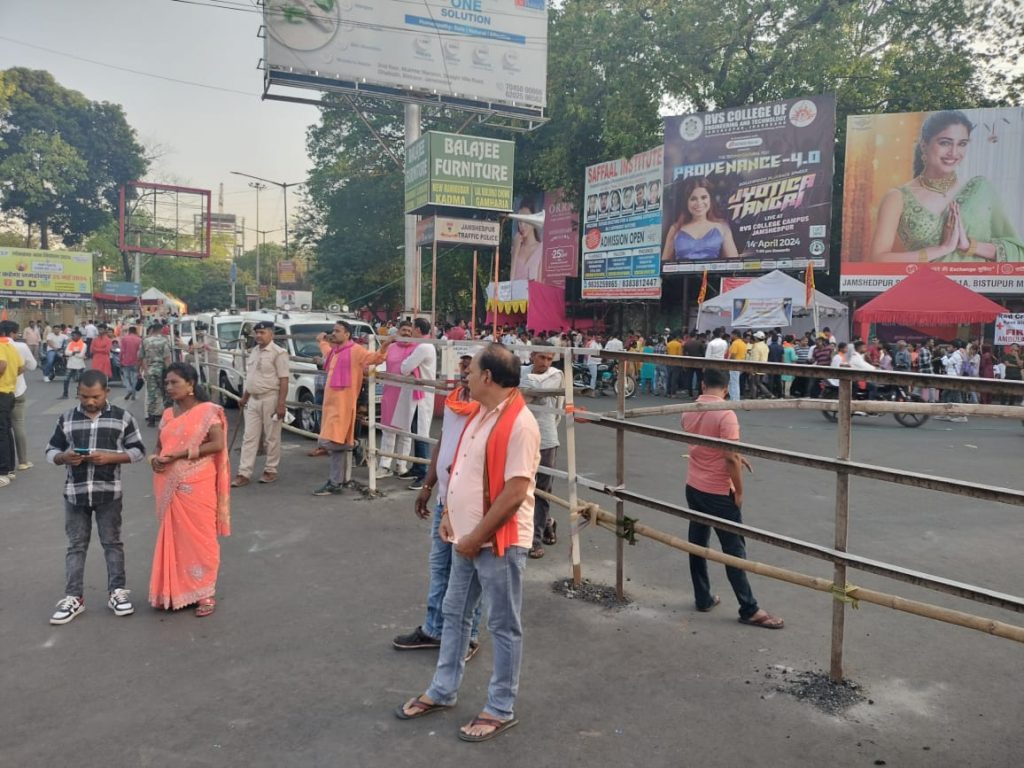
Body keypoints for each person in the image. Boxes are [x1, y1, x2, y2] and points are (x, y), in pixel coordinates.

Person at [395, 344, 540, 742]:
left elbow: (514, 493)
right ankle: (443, 689)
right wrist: (448, 516)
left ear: (488, 377)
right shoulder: (481, 413)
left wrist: (476, 537)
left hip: (498, 542)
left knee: (503, 625)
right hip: (466, 537)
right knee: (454, 613)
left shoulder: (520, 425)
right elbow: (461, 469)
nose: (466, 376)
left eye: (471, 370)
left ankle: (499, 707)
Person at [393, 354, 483, 660]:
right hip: (446, 499)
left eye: (470, 370)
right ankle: (434, 629)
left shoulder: (489, 410)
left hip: (470, 505)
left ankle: (469, 636)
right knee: (439, 567)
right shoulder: (456, 400)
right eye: (462, 368)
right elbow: (443, 445)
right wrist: (428, 486)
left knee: (468, 573)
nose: (463, 374)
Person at [681, 368, 783, 629]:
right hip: (718, 491)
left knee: (697, 543)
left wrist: (738, 456)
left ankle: (702, 597)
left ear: (703, 384)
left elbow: (708, 446)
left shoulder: (689, 409)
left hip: (694, 486)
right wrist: (739, 491)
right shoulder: (726, 413)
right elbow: (727, 455)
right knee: (734, 550)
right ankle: (749, 608)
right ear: (726, 388)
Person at [45, 369, 146, 624]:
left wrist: (112, 457)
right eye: (84, 396)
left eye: (96, 397)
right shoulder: (67, 417)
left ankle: (117, 592)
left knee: (112, 543)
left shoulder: (122, 417)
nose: (90, 402)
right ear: (78, 393)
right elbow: (51, 449)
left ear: (107, 393)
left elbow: (138, 450)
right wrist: (63, 457)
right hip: (75, 493)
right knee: (76, 546)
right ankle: (74, 597)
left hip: (109, 492)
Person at [871, 109, 1024, 264]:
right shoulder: (897, 197)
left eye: (962, 144)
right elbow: (878, 259)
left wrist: (969, 246)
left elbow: (1017, 251)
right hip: (922, 285)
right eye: (945, 143)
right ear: (924, 145)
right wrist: (942, 249)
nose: (954, 152)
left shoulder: (981, 189)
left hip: (978, 286)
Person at [148, 363, 230, 616]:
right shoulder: (168, 416)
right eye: (167, 383)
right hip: (170, 484)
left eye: (174, 382)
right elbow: (158, 447)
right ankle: (175, 591)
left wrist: (181, 454)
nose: (169, 387)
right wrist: (155, 459)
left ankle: (204, 592)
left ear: (191, 384)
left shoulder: (208, 411)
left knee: (200, 538)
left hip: (198, 482)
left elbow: (217, 444)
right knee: (175, 538)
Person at [312, 321, 390, 496]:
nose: (334, 333)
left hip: (344, 405)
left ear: (347, 334)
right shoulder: (335, 351)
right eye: (333, 331)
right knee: (335, 442)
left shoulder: (356, 350)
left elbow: (375, 359)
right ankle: (336, 481)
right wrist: (322, 341)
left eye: (337, 331)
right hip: (330, 404)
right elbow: (326, 352)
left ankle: (353, 445)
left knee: (326, 442)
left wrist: (385, 346)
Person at [232, 321, 290, 487]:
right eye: (257, 332)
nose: (258, 335)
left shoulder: (279, 353)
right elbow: (251, 378)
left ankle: (270, 470)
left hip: (270, 398)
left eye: (262, 332)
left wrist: (281, 404)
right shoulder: (254, 352)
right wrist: (244, 397)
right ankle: (244, 473)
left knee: (271, 438)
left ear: (271, 334)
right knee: (249, 437)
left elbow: (284, 380)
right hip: (253, 400)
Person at [520, 342, 563, 559]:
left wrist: (529, 391)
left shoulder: (556, 374)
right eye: (541, 358)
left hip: (546, 439)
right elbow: (523, 392)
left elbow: (528, 392)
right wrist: (531, 390)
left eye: (549, 358)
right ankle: (547, 523)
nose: (545, 363)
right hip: (522, 438)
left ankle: (534, 540)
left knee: (542, 492)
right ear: (532, 356)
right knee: (522, 489)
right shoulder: (521, 371)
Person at [662, 177, 740, 262]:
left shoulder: (722, 227)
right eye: (693, 199)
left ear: (710, 199)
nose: (699, 203)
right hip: (681, 275)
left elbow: (734, 263)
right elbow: (663, 265)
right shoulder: (675, 229)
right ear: (686, 202)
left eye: (703, 197)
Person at [399, 318, 436, 490]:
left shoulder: (423, 347)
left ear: (419, 330)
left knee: (421, 432)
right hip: (418, 394)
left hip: (422, 395)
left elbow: (405, 368)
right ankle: (417, 466)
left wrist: (405, 365)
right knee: (415, 429)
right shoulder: (424, 345)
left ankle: (423, 471)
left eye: (412, 328)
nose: (410, 331)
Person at [376, 320, 416, 479]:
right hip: (391, 393)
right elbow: (378, 361)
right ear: (398, 331)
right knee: (388, 430)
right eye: (404, 330)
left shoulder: (417, 349)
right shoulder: (391, 347)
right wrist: (385, 345)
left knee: (405, 432)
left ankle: (402, 465)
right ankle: (385, 465)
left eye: (409, 331)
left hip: (408, 393)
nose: (406, 333)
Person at [4, 321, 38, 473]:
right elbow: (32, 366)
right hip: (17, 391)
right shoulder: (20, 346)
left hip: (2, 392)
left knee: (4, 429)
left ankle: (7, 464)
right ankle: (23, 461)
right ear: (13, 333)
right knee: (18, 425)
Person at [0, 323, 24, 486]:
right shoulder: (10, 346)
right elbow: (21, 368)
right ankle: (8, 469)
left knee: (1, 433)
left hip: (1, 392)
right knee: (5, 431)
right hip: (9, 392)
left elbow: (2, 365)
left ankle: (2, 472)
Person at [140, 324, 172, 427]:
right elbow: (167, 358)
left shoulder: (145, 341)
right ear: (161, 330)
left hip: (150, 370)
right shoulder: (164, 341)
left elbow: (142, 358)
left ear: (152, 330)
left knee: (152, 394)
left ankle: (151, 419)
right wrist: (170, 372)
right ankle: (168, 418)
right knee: (166, 394)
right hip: (162, 370)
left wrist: (145, 370)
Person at [510, 204, 543, 282]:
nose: (522, 225)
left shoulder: (541, 249)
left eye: (526, 221)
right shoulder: (515, 249)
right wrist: (515, 253)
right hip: (515, 293)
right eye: (520, 221)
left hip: (533, 293)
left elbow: (540, 283)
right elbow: (510, 283)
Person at [61, 329, 88, 399]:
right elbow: (66, 353)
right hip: (70, 364)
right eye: (72, 336)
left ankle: (79, 394)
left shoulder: (84, 344)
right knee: (66, 379)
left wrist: (72, 353)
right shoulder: (70, 344)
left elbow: (81, 355)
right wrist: (74, 352)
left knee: (80, 380)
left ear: (79, 336)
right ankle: (65, 394)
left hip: (79, 365)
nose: (72, 337)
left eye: (74, 335)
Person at [118, 325, 142, 399]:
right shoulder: (139, 339)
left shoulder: (124, 339)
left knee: (126, 377)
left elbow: (122, 351)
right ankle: (133, 394)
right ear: (135, 331)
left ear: (129, 331)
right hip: (136, 362)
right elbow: (141, 352)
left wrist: (120, 360)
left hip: (126, 361)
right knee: (134, 378)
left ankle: (129, 389)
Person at [726, 329, 747, 401]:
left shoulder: (735, 343)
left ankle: (734, 399)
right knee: (735, 382)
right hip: (740, 365)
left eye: (732, 334)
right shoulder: (743, 343)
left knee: (733, 383)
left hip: (733, 365)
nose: (731, 336)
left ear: (735, 335)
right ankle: (735, 398)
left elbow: (733, 355)